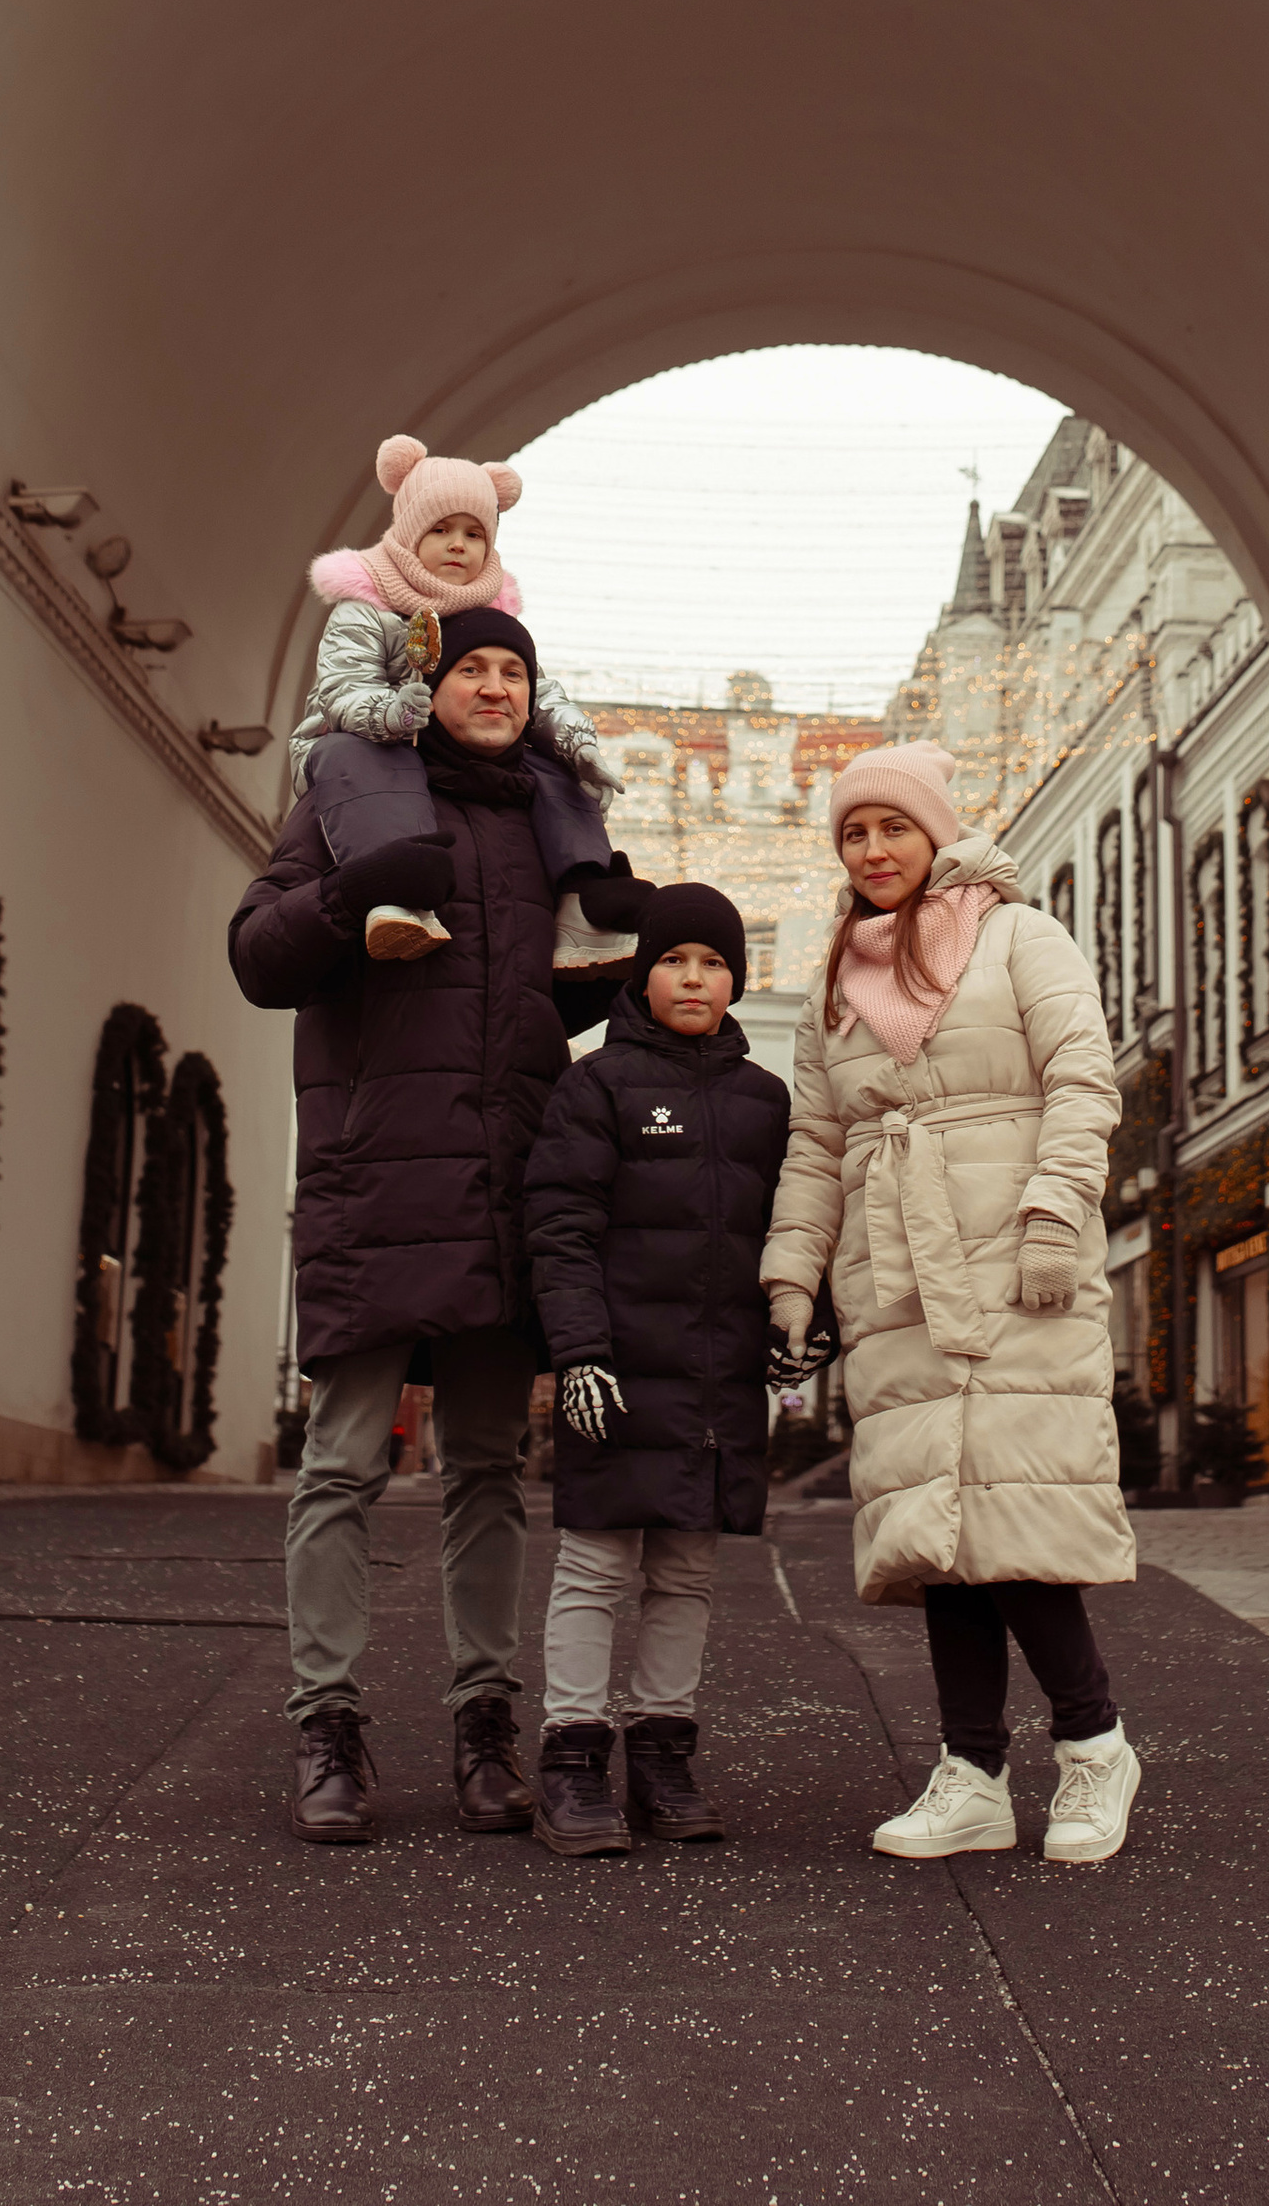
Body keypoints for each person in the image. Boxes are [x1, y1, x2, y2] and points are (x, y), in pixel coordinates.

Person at [228, 602, 641, 1845]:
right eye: (475, 669)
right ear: (431, 683)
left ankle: (482, 1724)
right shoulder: (352, 795)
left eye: (516, 671)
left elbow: (571, 992)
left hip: (502, 1181)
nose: (498, 688)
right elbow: (255, 951)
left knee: (485, 1471)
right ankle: (328, 1726)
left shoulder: (552, 827)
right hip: (377, 1175)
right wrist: (353, 896)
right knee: (345, 1460)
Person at [761, 740, 1142, 1866]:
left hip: (1019, 1257)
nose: (873, 851)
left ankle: (1093, 1744)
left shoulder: (1023, 937)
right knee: (939, 1524)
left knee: (1016, 1516)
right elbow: (816, 1141)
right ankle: (971, 1772)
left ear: (937, 833)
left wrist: (1051, 1217)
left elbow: (1083, 1078)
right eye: (852, 834)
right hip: (896, 1274)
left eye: (892, 828)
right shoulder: (835, 980)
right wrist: (792, 1272)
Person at [520, 883, 790, 1856]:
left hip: (716, 1383)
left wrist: (804, 1322)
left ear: (735, 980)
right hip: (620, 1370)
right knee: (594, 1564)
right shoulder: (594, 1086)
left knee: (685, 1569)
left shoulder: (765, 1102)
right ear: (644, 972)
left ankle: (663, 1752)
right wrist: (578, 1350)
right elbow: (561, 1227)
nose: (693, 977)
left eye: (713, 963)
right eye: (675, 959)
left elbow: (789, 1233)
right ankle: (572, 1760)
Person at [290, 434, 620, 957]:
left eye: (473, 533)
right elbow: (341, 690)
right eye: (440, 529)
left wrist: (579, 744)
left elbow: (535, 690)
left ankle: (583, 901)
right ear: (407, 533)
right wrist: (392, 713)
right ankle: (396, 896)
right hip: (357, 743)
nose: (458, 544)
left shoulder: (491, 615)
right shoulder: (365, 607)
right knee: (367, 756)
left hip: (451, 751)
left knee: (554, 770)